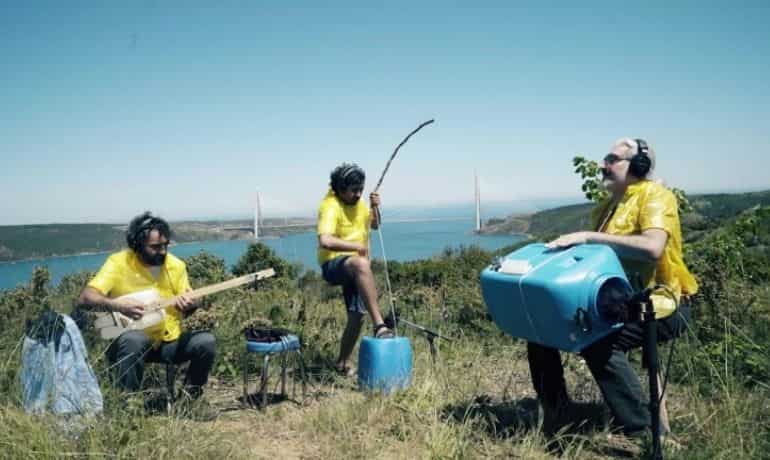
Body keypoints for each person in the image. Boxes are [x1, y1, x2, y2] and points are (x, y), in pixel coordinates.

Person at [529, 138, 699, 438]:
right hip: (615, 301)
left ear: (638, 166)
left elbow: (653, 248)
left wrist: (588, 237)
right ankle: (558, 412)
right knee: (541, 331)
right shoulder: (609, 206)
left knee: (598, 340)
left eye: (612, 159)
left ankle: (644, 432)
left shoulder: (655, 196)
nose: (603, 165)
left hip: (662, 302)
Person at [79, 212, 216, 399]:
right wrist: (117, 306)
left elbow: (190, 307)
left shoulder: (177, 266)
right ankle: (128, 407)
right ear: (137, 244)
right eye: (155, 247)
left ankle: (190, 399)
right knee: (135, 339)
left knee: (205, 342)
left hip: (168, 341)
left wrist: (192, 303)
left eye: (165, 245)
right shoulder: (118, 263)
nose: (163, 252)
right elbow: (86, 298)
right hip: (128, 341)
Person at [317, 163, 394, 376]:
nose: (358, 193)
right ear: (340, 189)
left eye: (361, 188)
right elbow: (325, 240)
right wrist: (356, 248)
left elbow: (375, 225)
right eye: (353, 190)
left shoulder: (359, 203)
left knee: (357, 315)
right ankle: (380, 325)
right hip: (333, 264)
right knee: (360, 263)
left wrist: (375, 207)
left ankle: (342, 363)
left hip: (356, 268)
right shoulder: (330, 206)